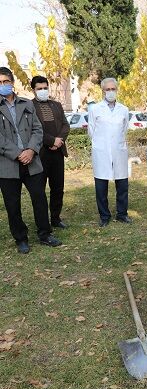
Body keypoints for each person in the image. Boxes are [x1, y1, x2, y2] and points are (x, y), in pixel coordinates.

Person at [0, 67, 62, 253]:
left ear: (12, 83)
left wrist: (31, 150)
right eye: (0, 83)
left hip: (32, 160)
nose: (3, 85)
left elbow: (38, 129)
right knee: (12, 204)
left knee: (39, 198)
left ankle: (45, 233)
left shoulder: (26, 104)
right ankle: (21, 238)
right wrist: (18, 153)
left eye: (6, 82)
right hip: (8, 164)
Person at [88, 77, 131, 227]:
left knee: (122, 184)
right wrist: (102, 143)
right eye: (108, 89)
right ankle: (104, 216)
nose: (111, 92)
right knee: (101, 185)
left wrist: (115, 142)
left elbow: (124, 129)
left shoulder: (124, 109)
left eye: (113, 89)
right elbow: (91, 131)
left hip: (119, 150)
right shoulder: (95, 109)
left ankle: (122, 213)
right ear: (103, 91)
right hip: (102, 151)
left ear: (117, 90)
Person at [31, 75, 70, 229]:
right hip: (40, 155)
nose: (43, 91)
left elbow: (66, 126)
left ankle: (55, 217)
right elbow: (34, 130)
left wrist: (59, 140)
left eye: (45, 88)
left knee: (58, 188)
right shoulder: (29, 106)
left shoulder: (57, 105)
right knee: (39, 191)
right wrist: (51, 141)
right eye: (39, 89)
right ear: (33, 90)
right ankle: (43, 221)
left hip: (57, 153)